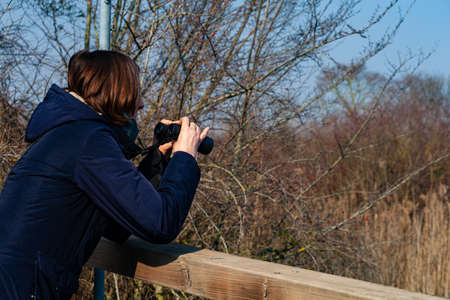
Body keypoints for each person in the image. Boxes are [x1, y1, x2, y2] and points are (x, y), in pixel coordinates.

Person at [0, 50, 208, 299]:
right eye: (135, 92)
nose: (141, 103)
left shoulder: (69, 134)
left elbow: (116, 224)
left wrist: (158, 160)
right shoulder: (89, 141)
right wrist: (184, 157)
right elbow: (160, 223)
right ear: (116, 92)